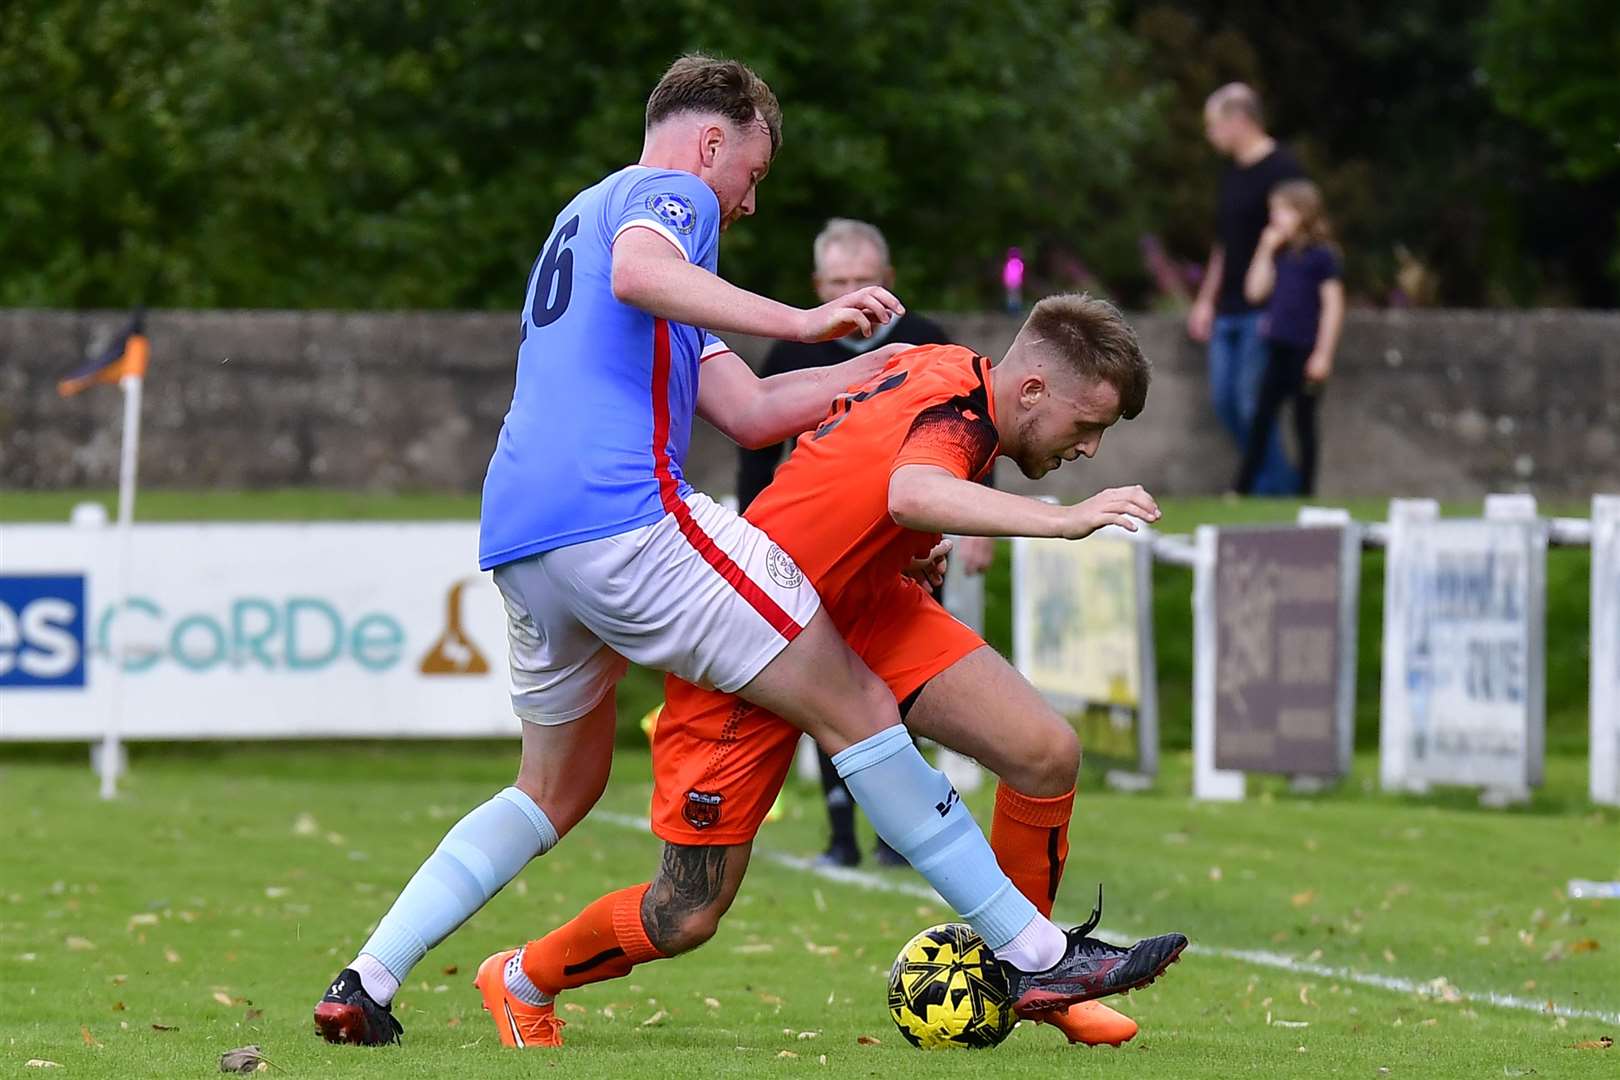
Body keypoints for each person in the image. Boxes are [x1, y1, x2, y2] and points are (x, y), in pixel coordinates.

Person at [314, 55, 1141, 1047]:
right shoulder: (666, 198)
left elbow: (746, 410)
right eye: (751, 177)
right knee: (858, 702)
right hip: (620, 521)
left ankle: (368, 977)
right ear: (714, 142)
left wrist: (859, 374)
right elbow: (646, 269)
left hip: (524, 539)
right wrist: (798, 319)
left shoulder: (583, 222)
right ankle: (1038, 953)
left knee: (556, 790)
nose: (744, 205)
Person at [474, 294, 1188, 1050]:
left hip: (862, 607)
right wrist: (1063, 518)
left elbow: (853, 455)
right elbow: (909, 489)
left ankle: (1039, 975)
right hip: (751, 633)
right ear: (1034, 391)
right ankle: (522, 977)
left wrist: (889, 544)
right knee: (684, 913)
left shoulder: (941, 367)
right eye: (1089, 427)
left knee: (1044, 751)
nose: (1090, 451)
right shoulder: (960, 410)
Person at [736, 217, 989, 869]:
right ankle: (842, 832)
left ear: (891, 281)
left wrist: (974, 526)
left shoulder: (927, 343)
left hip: (909, 545)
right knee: (822, 684)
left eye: (866, 280)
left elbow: (982, 425)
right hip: (815, 555)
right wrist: (746, 542)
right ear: (819, 286)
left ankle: (899, 830)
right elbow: (756, 456)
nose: (856, 292)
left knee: (896, 680)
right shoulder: (793, 353)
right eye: (841, 282)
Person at [1186, 83, 1307, 495]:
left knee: (1251, 402)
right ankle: (1273, 484)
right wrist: (1205, 300)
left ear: (1239, 120)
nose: (1210, 134)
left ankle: (1275, 490)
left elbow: (1300, 241)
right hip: (1229, 310)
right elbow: (1225, 244)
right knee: (1224, 401)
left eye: (1214, 124)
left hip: (1267, 309)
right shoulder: (1231, 176)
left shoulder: (1284, 170)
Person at [1235, 180, 1344, 495]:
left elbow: (1333, 306)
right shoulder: (1280, 255)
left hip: (1305, 349)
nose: (1275, 218)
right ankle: (1242, 487)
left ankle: (1306, 490)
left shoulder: (1322, 257)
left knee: (1303, 422)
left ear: (1303, 213)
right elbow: (1254, 292)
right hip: (1277, 348)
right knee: (1261, 418)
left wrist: (1322, 354)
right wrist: (1265, 249)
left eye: (1282, 210)